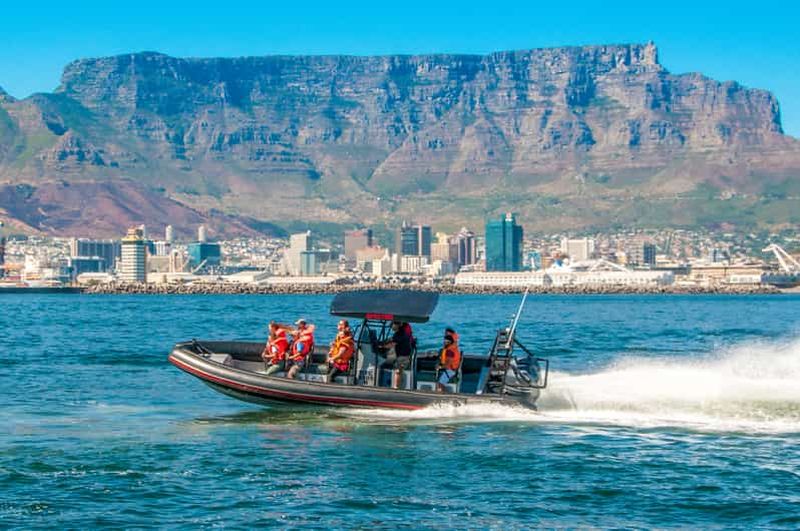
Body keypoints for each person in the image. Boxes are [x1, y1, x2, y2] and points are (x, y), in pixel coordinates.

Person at [380, 321, 413, 388]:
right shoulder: (400, 333)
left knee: (397, 370)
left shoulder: (400, 334)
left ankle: (396, 387)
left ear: (399, 325)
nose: (392, 325)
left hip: (403, 357)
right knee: (388, 364)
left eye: (394, 324)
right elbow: (393, 341)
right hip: (402, 355)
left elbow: (392, 344)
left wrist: (381, 346)